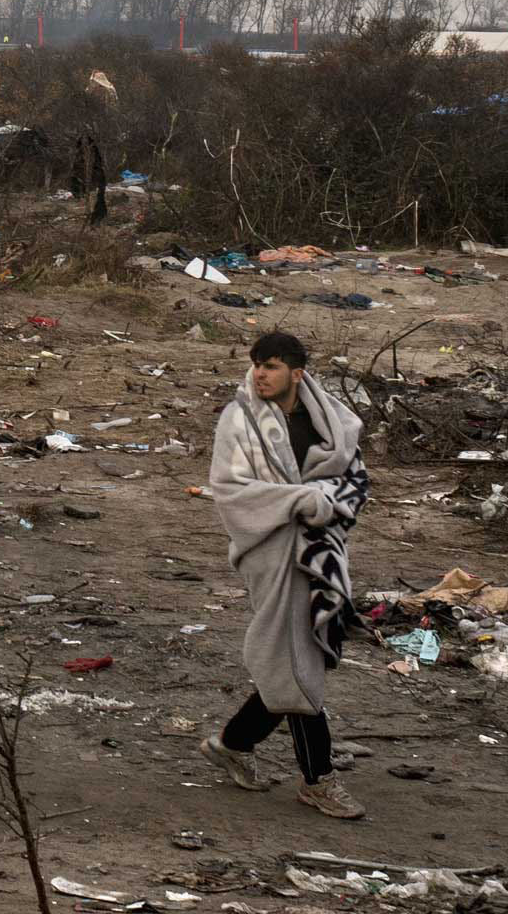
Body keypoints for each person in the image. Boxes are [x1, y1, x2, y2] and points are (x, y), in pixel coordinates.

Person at [200, 330, 371, 819]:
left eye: (271, 366)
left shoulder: (331, 420)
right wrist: (303, 500)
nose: (260, 373)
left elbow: (355, 480)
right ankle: (318, 780)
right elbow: (230, 489)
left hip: (320, 550)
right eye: (256, 363)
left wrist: (327, 504)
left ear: (297, 372)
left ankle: (233, 742)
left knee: (294, 656)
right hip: (270, 549)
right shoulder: (240, 420)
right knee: (297, 660)